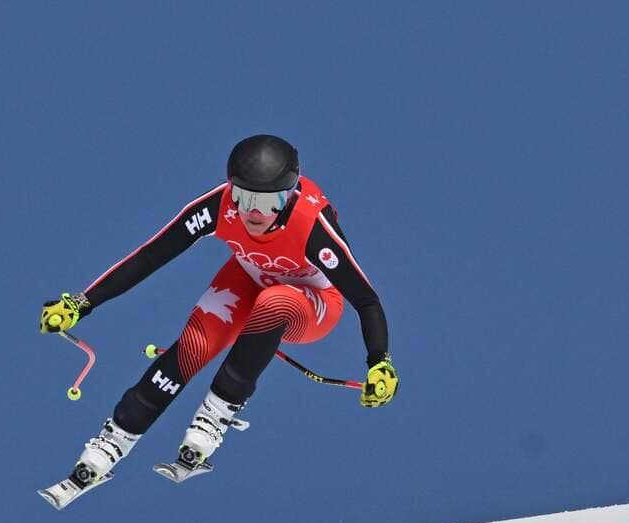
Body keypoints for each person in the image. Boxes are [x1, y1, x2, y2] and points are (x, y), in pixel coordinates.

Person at [39, 134, 396, 501]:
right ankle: (112, 442)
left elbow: (366, 300)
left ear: (288, 197)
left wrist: (379, 362)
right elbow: (149, 256)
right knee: (196, 341)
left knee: (275, 301)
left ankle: (215, 414)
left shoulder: (312, 226)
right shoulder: (218, 206)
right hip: (249, 277)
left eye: (268, 202)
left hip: (312, 302)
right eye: (244, 197)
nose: (253, 213)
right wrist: (83, 302)